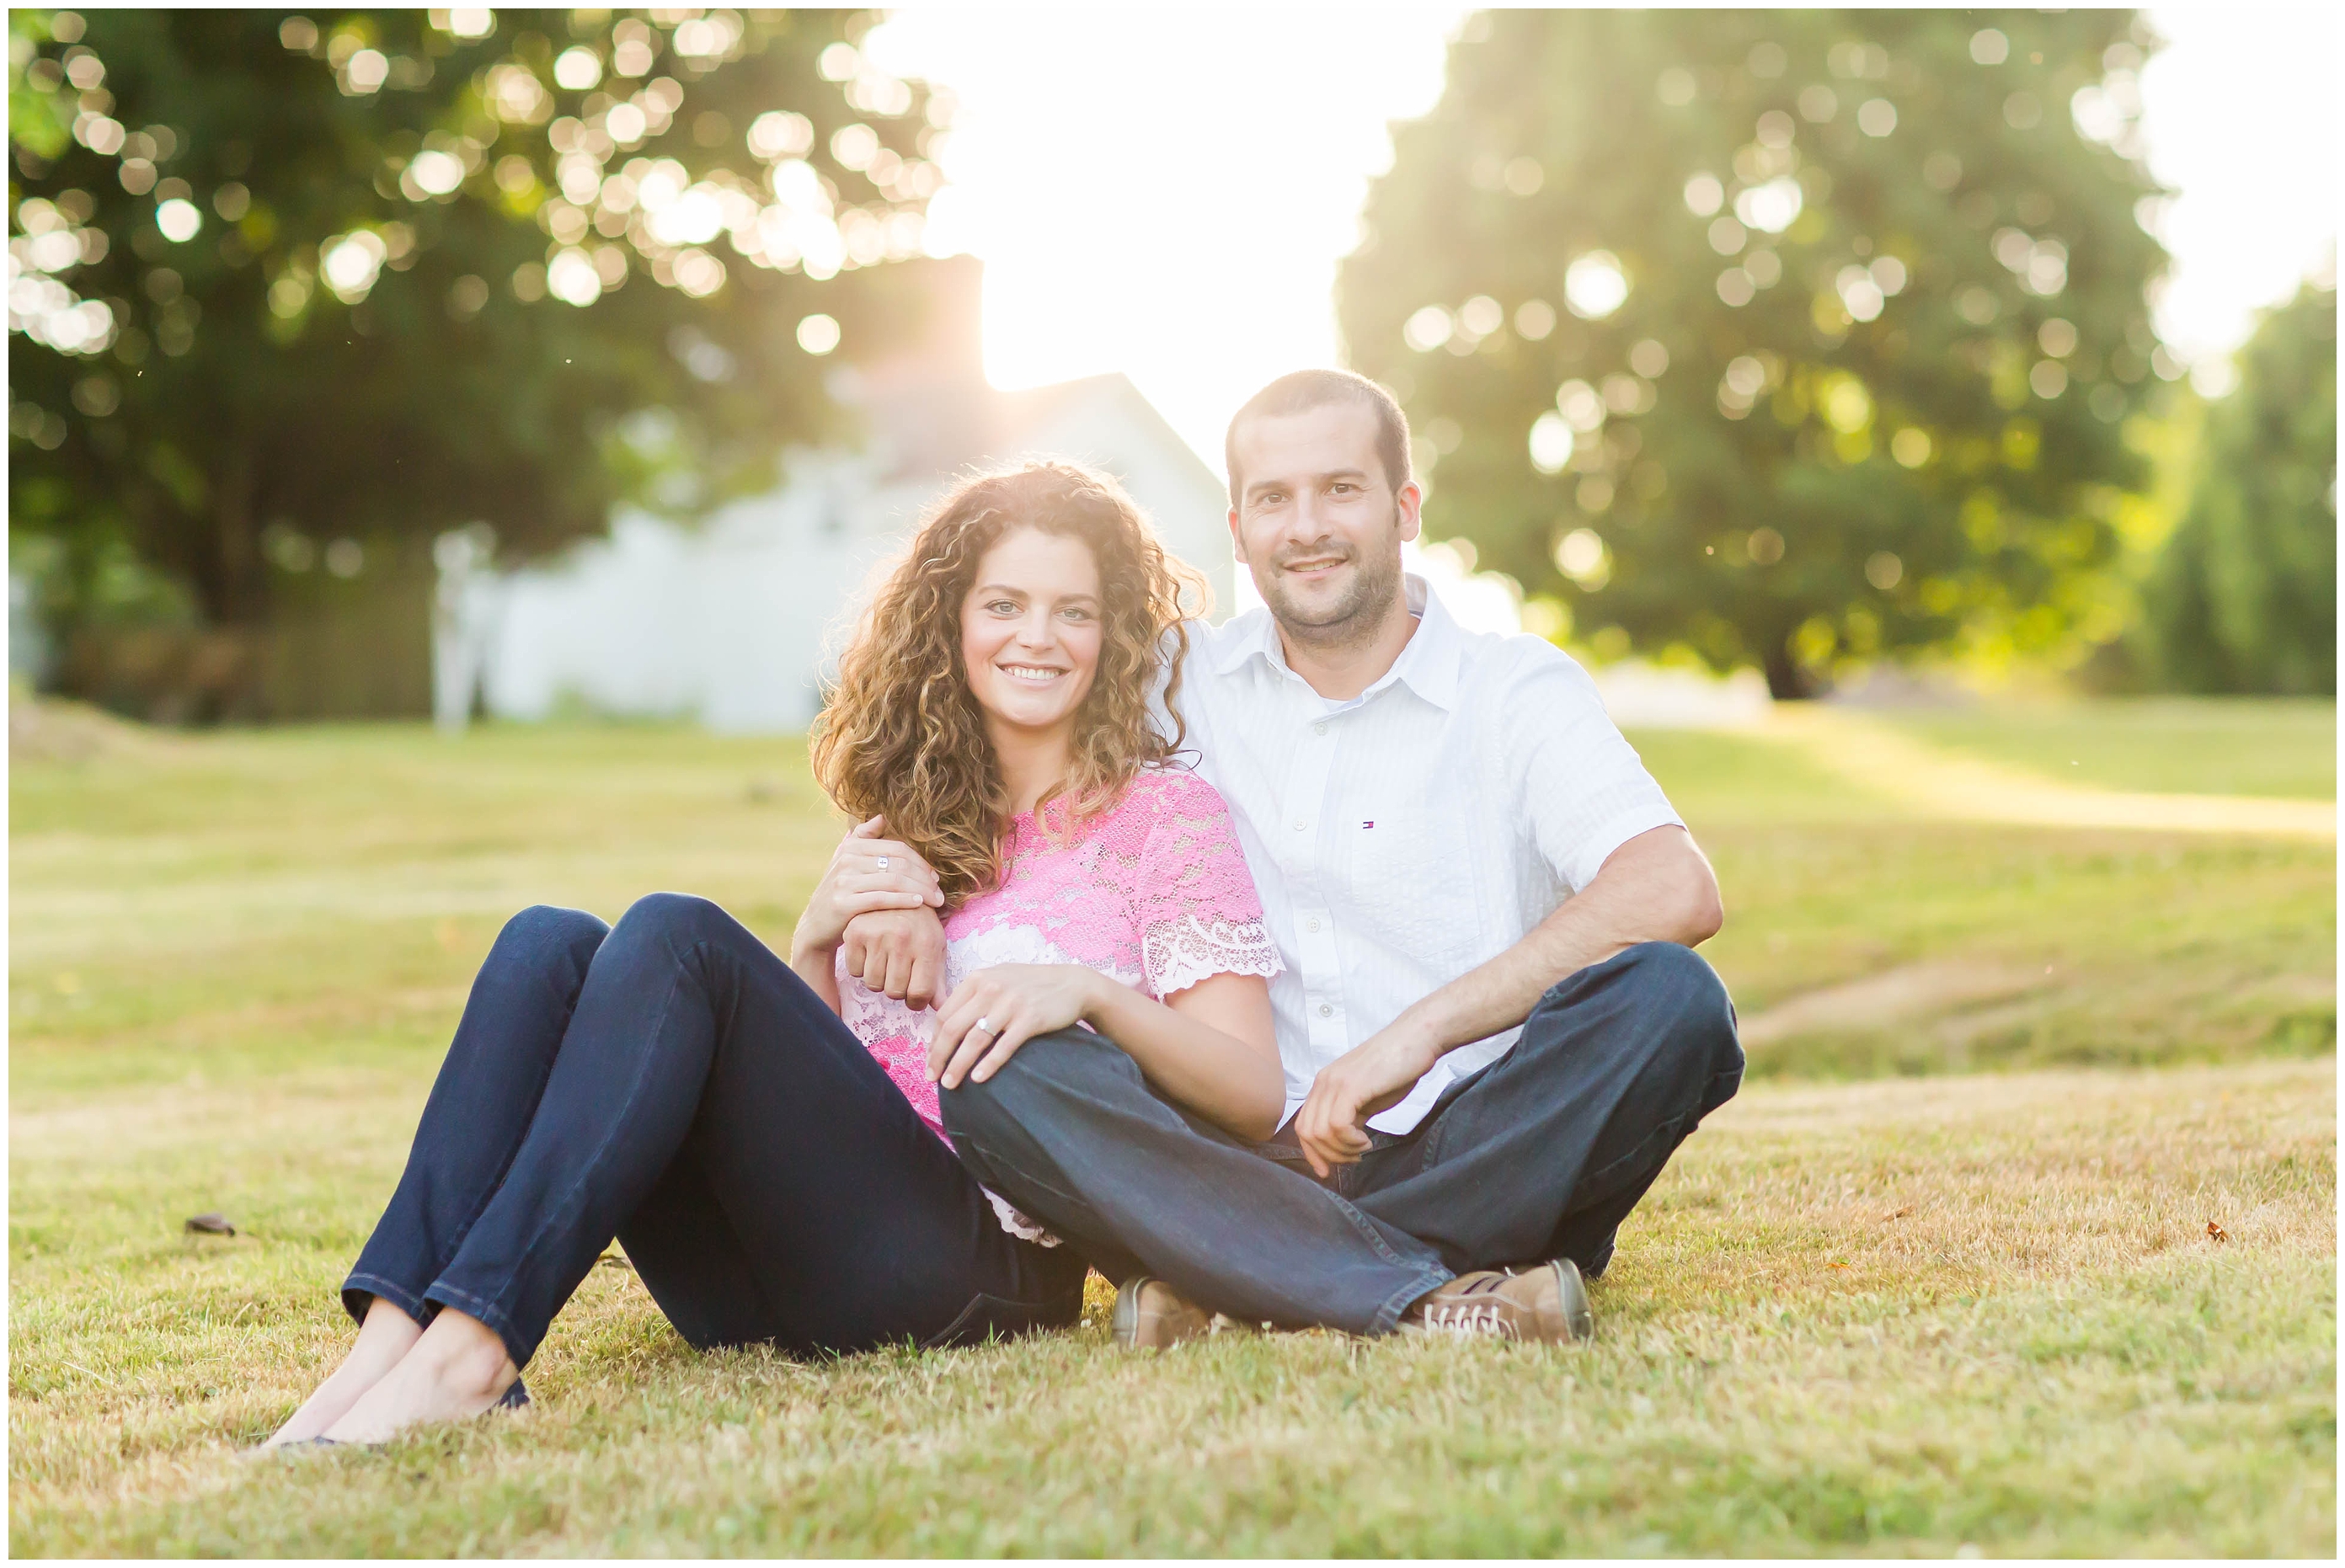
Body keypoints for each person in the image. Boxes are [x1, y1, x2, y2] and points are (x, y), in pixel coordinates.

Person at [259, 461, 1285, 1447]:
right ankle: (387, 1345)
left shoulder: (1166, 818)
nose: (1039, 637)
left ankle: (473, 1357)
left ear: (1115, 635)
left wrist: (1089, 992)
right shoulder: (903, 824)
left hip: (973, 1273)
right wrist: (813, 941)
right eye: (1004, 604)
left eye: (1076, 610)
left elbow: (1248, 1089)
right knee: (548, 945)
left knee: (677, 932)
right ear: (953, 622)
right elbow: (820, 1079)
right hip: (756, 1286)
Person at [852, 369, 1743, 1347]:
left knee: (1676, 1000)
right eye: (1274, 499)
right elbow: (980, 717)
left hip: (1485, 1142)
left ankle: (1243, 1279)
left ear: (1404, 509)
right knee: (1004, 1064)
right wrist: (892, 879)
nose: (1306, 525)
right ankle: (1426, 1294)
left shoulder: (1514, 689)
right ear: (1238, 532)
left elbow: (1672, 886)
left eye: (1341, 489)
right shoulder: (1176, 681)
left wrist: (1419, 1035)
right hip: (1213, 1159)